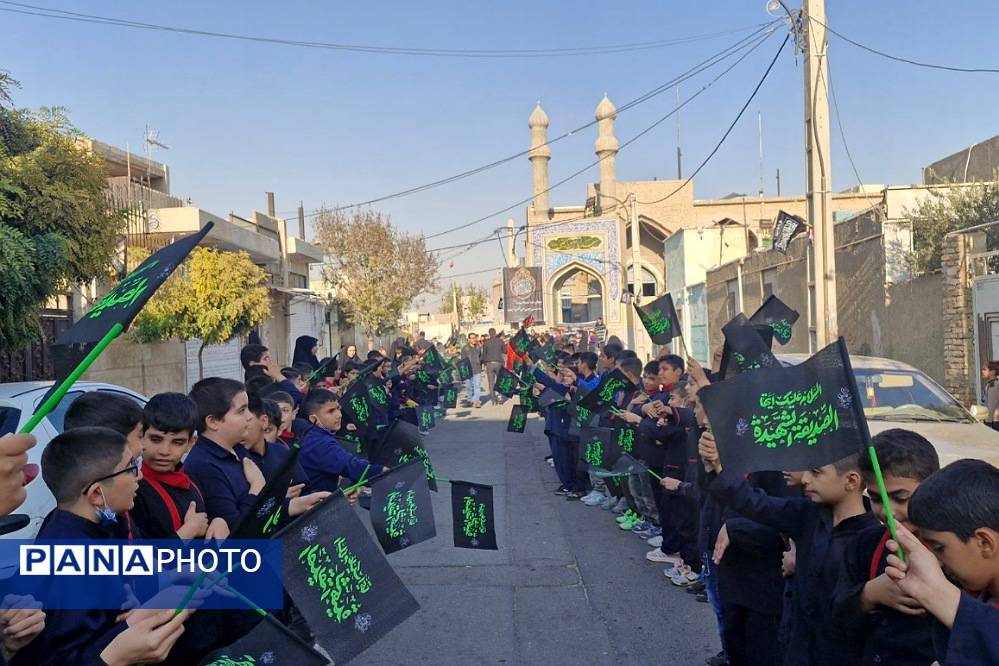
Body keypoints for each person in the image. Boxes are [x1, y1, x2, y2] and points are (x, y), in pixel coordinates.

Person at [700, 434, 880, 666]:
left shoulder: (872, 539)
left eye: (816, 472)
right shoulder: (807, 514)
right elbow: (755, 503)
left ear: (852, 481)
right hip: (797, 645)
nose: (804, 479)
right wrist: (718, 466)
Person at [18, 427, 193, 664]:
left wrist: (177, 576)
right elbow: (61, 657)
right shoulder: (72, 565)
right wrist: (134, 629)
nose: (139, 476)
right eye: (131, 468)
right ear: (97, 493)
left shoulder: (94, 525)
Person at [831, 428, 939, 666]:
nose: (888, 513)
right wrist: (869, 594)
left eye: (901, 498)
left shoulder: (953, 550)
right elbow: (836, 616)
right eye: (877, 499)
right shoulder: (864, 544)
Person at [885, 459, 999, 665]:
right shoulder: (974, 594)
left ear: (985, 542)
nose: (937, 562)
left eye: (939, 548)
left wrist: (937, 593)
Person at [185, 378, 326, 529]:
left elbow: (262, 511)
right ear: (213, 422)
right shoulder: (204, 465)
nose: (250, 416)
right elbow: (238, 531)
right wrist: (257, 487)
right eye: (241, 411)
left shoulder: (238, 450)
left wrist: (298, 504)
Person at [131, 392, 228, 541]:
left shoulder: (192, 477)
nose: (164, 451)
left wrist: (219, 521)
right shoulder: (133, 492)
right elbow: (142, 560)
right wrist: (188, 531)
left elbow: (213, 515)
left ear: (191, 443)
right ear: (141, 436)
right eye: (156, 439)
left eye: (177, 442)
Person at [298, 389, 385, 494]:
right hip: (316, 505)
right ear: (313, 418)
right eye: (331, 411)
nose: (339, 415)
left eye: (338, 408)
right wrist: (384, 471)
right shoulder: (319, 443)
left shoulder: (315, 435)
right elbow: (352, 467)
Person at [482, 327, 506, 405]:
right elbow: (505, 351)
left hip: (489, 364)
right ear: (495, 333)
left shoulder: (486, 342)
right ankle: (500, 397)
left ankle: (493, 400)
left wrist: (485, 365)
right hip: (499, 363)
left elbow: (484, 355)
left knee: (491, 382)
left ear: (489, 334)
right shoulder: (500, 341)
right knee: (500, 381)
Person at [461, 333, 483, 408]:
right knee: (469, 387)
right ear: (469, 339)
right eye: (472, 338)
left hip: (477, 369)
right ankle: (470, 400)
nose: (474, 339)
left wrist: (479, 362)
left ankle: (477, 401)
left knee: (477, 386)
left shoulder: (478, 347)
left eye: (475, 338)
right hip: (468, 370)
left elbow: (481, 357)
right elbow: (463, 360)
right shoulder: (465, 348)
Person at [983, 361, 999, 429]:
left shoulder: (993, 385)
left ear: (992, 372)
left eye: (984, 369)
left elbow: (991, 406)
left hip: (994, 422)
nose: (982, 371)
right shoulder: (990, 384)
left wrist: (988, 423)